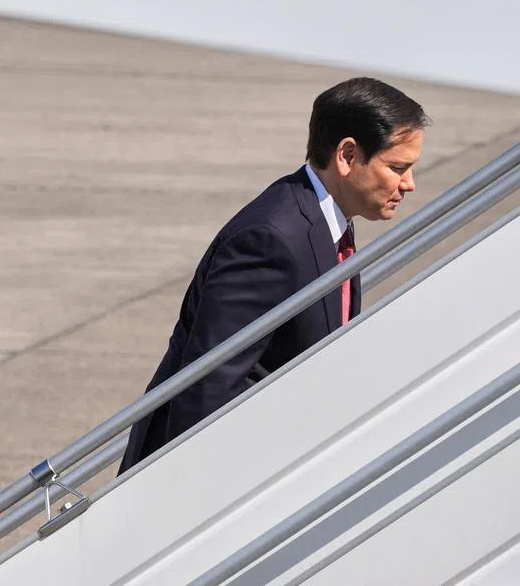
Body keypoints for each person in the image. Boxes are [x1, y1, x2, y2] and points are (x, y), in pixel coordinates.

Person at [117, 77, 429, 475]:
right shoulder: (270, 239)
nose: (409, 184)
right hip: (220, 476)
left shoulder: (327, 222)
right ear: (347, 156)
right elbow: (208, 385)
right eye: (398, 167)